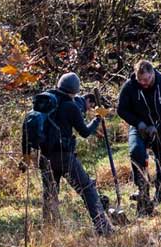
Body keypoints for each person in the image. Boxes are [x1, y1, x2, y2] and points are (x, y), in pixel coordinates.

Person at [36, 73, 113, 235]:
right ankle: (104, 228)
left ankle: (49, 232)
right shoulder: (69, 106)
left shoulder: (46, 101)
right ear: (75, 90)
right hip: (63, 156)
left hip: (43, 156)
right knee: (87, 189)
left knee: (50, 194)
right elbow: (84, 132)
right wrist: (98, 118)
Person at [116, 60, 161, 216]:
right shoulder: (130, 86)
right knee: (136, 152)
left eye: (147, 80)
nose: (144, 83)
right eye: (141, 80)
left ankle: (160, 198)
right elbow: (121, 109)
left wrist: (159, 127)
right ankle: (142, 191)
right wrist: (138, 123)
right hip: (140, 126)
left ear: (152, 73)